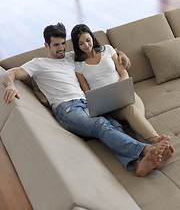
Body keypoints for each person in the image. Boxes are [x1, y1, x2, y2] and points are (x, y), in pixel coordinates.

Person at [1, 23, 173, 177]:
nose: (61, 48)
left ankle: (138, 164)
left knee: (116, 126)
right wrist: (11, 85)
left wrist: (121, 53)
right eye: (56, 45)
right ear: (46, 45)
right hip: (66, 108)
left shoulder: (71, 57)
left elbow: (100, 51)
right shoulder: (37, 63)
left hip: (87, 103)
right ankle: (147, 149)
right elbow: (11, 73)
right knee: (100, 125)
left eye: (63, 43)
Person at [71, 24, 159, 144]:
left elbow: (123, 73)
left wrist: (118, 89)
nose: (86, 45)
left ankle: (154, 148)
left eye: (88, 40)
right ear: (77, 46)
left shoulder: (108, 49)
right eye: (81, 43)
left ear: (92, 37)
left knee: (135, 116)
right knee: (131, 110)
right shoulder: (79, 65)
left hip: (125, 94)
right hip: (109, 105)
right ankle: (157, 141)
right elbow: (87, 92)